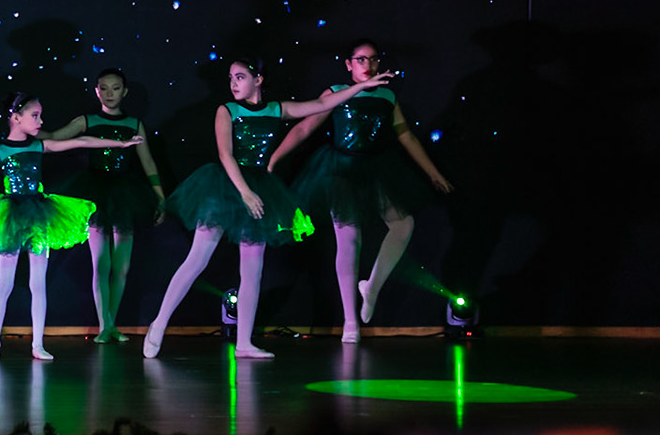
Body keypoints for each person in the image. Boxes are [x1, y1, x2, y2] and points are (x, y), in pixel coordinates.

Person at [142, 58, 390, 359]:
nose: (233, 83)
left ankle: (244, 343)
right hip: (225, 187)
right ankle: (159, 323)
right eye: (231, 77)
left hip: (260, 186)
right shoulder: (228, 110)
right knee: (197, 259)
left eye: (240, 77)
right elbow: (225, 154)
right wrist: (245, 193)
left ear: (258, 79)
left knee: (253, 268)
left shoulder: (275, 109)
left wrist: (362, 86)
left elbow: (321, 104)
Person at [270, 38, 453, 341]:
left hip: (377, 168)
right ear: (349, 64)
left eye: (373, 59)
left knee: (404, 223)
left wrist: (433, 173)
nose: (367, 65)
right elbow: (304, 127)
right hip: (340, 171)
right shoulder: (337, 92)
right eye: (361, 60)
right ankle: (350, 320)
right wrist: (274, 159)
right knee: (349, 239)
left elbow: (406, 136)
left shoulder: (387, 96)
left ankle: (372, 286)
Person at [0, 93, 123, 360]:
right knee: (5, 282)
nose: (41, 121)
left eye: (40, 115)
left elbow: (80, 141)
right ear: (16, 117)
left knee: (38, 283)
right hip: (10, 216)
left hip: (38, 215)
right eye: (35, 115)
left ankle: (38, 344)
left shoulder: (39, 146)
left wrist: (120, 143)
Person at [45, 68, 165, 343]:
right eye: (104, 88)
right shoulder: (87, 121)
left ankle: (112, 324)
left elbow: (148, 162)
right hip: (95, 193)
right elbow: (53, 137)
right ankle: (105, 325)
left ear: (125, 91)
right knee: (101, 264)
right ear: (97, 91)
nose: (110, 93)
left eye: (116, 88)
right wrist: (25, 129)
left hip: (126, 194)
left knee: (121, 267)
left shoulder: (134, 124)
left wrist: (160, 196)